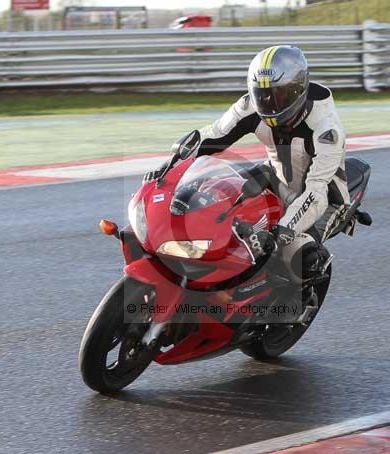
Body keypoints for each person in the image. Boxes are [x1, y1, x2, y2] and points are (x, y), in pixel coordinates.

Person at [144, 45, 351, 284]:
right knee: (216, 195)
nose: (268, 104)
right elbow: (214, 135)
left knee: (297, 258)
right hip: (276, 176)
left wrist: (281, 231)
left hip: (325, 197)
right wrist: (170, 164)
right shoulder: (251, 106)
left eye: (277, 95)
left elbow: (316, 193)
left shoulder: (326, 130)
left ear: (296, 91)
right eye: (262, 95)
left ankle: (288, 311)